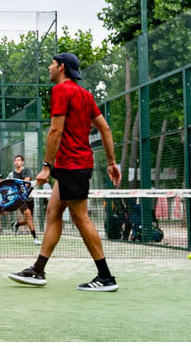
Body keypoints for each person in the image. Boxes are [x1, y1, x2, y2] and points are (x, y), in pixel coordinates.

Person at [8, 52, 122, 292]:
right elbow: (105, 129)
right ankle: (38, 270)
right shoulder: (85, 95)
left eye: (51, 64)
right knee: (53, 213)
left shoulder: (61, 91)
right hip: (70, 166)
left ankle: (105, 277)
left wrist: (46, 167)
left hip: (72, 165)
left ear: (61, 67)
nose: (48, 68)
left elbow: (55, 131)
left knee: (81, 218)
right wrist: (111, 162)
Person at [8, 154, 41, 245]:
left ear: (22, 162)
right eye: (15, 160)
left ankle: (16, 224)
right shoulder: (11, 175)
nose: (17, 162)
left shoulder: (27, 170)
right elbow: (9, 186)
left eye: (19, 160)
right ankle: (35, 238)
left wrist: (20, 187)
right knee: (28, 214)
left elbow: (26, 182)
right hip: (20, 199)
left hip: (29, 198)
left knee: (28, 220)